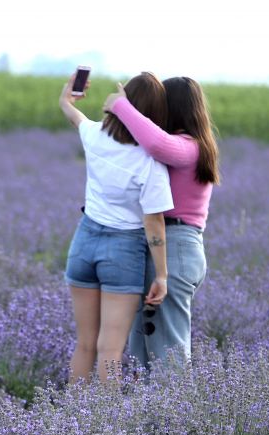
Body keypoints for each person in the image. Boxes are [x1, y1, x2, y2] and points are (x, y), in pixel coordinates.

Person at [58, 70, 171, 384]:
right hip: (123, 253)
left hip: (83, 244)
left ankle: (68, 424)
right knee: (110, 351)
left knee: (84, 345)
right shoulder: (150, 163)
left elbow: (74, 116)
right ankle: (109, 430)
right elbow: (154, 222)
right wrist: (161, 275)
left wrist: (67, 97)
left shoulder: (95, 135)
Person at [103, 76, 220, 371]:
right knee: (144, 349)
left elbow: (156, 142)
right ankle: (151, 417)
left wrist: (121, 105)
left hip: (175, 247)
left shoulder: (188, 147)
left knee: (168, 353)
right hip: (170, 248)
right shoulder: (194, 146)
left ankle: (175, 417)